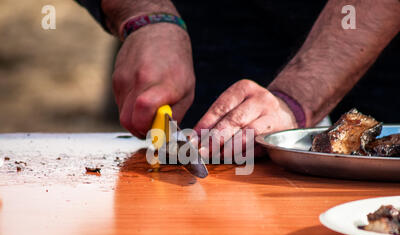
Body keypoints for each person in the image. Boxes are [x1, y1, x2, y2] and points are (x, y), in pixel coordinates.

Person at [76, 0, 400, 156]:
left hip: (375, 25)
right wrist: (144, 14)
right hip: (214, 20)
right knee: (212, 164)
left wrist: (295, 100)